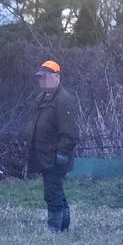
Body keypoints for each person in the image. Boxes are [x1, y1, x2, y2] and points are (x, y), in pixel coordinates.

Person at [28, 61, 80, 233]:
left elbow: (70, 132)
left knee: (52, 193)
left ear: (57, 77)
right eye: (40, 78)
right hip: (44, 155)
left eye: (45, 78)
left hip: (55, 156)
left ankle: (54, 230)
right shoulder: (43, 98)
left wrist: (62, 153)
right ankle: (63, 226)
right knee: (55, 190)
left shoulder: (64, 100)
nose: (41, 81)